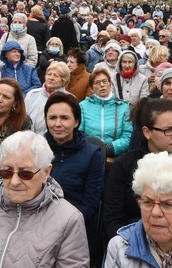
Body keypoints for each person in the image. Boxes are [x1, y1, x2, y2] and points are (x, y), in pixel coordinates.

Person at [0, 130, 89, 267]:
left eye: (25, 174)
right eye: (6, 172)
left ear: (46, 172)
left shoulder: (69, 220)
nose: (14, 181)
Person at [105, 99, 172, 240]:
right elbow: (113, 220)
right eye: (168, 130)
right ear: (147, 132)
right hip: (131, 245)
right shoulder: (123, 166)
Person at [44, 92, 104, 242]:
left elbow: (90, 204)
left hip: (75, 226)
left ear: (76, 121)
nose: (57, 124)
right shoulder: (37, 148)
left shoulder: (92, 155)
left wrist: (60, 224)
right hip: (38, 222)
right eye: (52, 118)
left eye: (64, 118)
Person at [79, 67, 132, 157]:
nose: (102, 85)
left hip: (115, 157)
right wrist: (92, 149)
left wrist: (110, 148)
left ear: (110, 84)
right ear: (92, 87)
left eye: (105, 81)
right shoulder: (83, 106)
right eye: (97, 82)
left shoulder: (123, 107)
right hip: (88, 154)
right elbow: (78, 133)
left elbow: (128, 135)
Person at [25, 60, 72, 134]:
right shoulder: (32, 94)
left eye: (56, 76)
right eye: (49, 74)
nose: (51, 78)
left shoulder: (69, 99)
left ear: (64, 80)